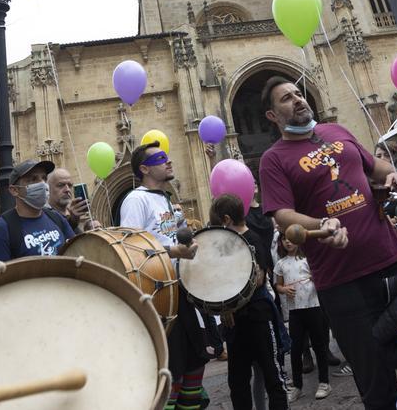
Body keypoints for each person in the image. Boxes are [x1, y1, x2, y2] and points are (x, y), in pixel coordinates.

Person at [257, 77, 397, 409]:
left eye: (298, 94)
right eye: (286, 98)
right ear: (272, 115)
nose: (297, 100)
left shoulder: (337, 131)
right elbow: (282, 214)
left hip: (395, 262)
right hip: (342, 283)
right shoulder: (273, 159)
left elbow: (376, 167)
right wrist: (321, 224)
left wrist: (393, 174)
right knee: (376, 382)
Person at [120, 142, 207, 410]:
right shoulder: (137, 199)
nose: (168, 162)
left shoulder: (165, 198)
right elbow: (130, 248)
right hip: (160, 295)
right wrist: (174, 251)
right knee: (173, 370)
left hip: (180, 288)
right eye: (160, 159)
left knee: (195, 362)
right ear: (144, 169)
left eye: (167, 157)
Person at [213, 194, 289, 410]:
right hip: (235, 323)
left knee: (273, 376)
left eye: (219, 221)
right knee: (237, 383)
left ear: (226, 219)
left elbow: (258, 279)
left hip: (258, 316)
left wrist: (230, 305)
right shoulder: (223, 244)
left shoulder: (253, 239)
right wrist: (224, 307)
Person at [0, 160, 75, 264]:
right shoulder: (0, 230)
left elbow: (76, 253)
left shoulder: (56, 218)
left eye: (44, 178)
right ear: (14, 190)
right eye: (33, 179)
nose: (42, 184)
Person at [275, 236, 331, 402]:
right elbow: (277, 285)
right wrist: (284, 289)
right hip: (295, 311)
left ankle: (324, 382)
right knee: (296, 349)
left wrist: (316, 278)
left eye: (291, 239)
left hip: (313, 306)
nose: (288, 242)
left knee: (319, 345)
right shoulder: (281, 264)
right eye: (284, 239)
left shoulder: (308, 259)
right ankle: (297, 386)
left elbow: (321, 276)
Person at [46, 167, 99, 232]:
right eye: (61, 185)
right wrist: (73, 221)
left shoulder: (73, 212)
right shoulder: (46, 216)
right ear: (48, 188)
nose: (67, 189)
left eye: (70, 185)